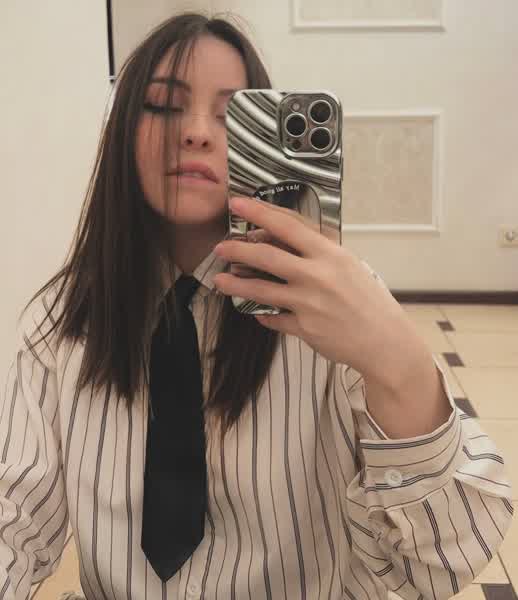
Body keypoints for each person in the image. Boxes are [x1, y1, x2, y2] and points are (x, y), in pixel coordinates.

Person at [1, 11, 513, 600]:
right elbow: (13, 513)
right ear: (120, 133)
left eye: (232, 115)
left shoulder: (337, 308)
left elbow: (440, 566)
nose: (197, 132)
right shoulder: (63, 319)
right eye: (163, 105)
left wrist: (398, 364)